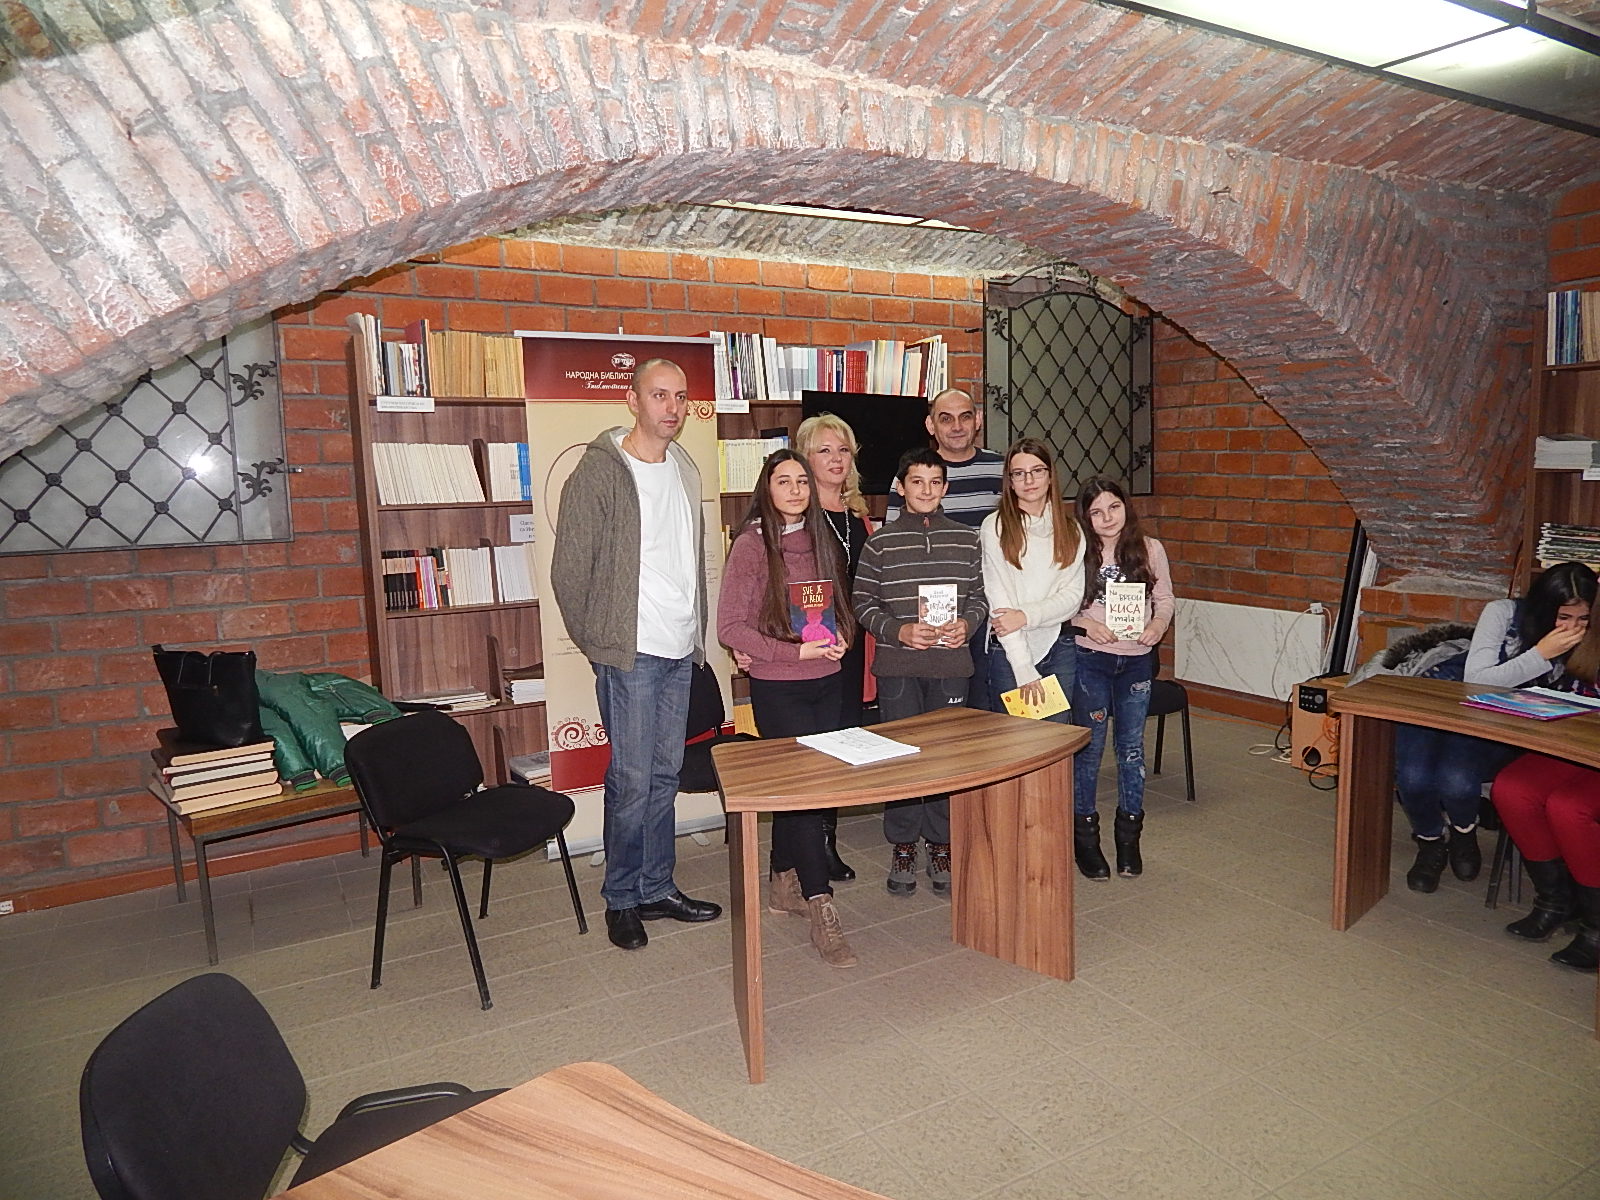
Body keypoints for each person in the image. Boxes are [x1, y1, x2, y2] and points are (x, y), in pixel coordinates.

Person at [550, 358, 723, 952]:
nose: (672, 408)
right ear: (632, 400)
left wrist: (695, 635)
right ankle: (622, 898)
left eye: (680, 396)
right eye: (658, 395)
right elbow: (569, 571)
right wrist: (601, 642)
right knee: (631, 779)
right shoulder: (600, 472)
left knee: (665, 775)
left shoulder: (684, 467)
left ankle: (657, 886)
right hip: (632, 654)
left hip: (679, 649)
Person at [718, 450, 859, 967]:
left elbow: (839, 609)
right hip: (780, 687)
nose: (796, 490)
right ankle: (821, 903)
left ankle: (783, 883)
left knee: (808, 789)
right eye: (785, 481)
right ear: (767, 488)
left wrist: (842, 638)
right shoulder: (752, 545)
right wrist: (792, 653)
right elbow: (730, 628)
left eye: (802, 481)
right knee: (806, 796)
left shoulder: (821, 538)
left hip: (827, 682)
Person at [1397, 561, 1598, 894]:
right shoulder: (1503, 613)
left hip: (1499, 721)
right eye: (1563, 617)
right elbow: (1476, 681)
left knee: (1457, 779)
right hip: (1448, 694)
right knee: (1413, 776)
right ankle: (1430, 840)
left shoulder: (1590, 640)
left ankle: (1463, 832)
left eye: (1582, 619)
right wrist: (1541, 654)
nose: (1572, 627)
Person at [853, 448, 987, 896]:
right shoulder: (880, 543)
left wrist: (967, 624)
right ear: (901, 487)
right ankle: (904, 844)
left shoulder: (967, 540)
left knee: (945, 757)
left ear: (945, 488)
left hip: (950, 666)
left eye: (935, 482)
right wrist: (899, 630)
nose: (926, 490)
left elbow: (980, 598)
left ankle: (941, 842)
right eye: (917, 481)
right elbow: (862, 603)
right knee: (900, 757)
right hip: (899, 667)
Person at [1071, 478, 1174, 881]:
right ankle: (1086, 838)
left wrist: (1158, 626)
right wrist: (1085, 624)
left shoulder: (1150, 549)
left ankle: (1129, 837)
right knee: (1090, 749)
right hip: (1091, 659)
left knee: (1131, 749)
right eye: (1096, 512)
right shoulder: (1075, 551)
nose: (1107, 518)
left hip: (1135, 662)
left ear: (1126, 507)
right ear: (1086, 517)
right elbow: (1062, 605)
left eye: (1113, 507)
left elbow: (1164, 598)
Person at [1490, 595, 1600, 972]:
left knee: (1570, 807)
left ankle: (1596, 926)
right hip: (1584, 743)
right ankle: (1555, 901)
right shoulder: (1589, 636)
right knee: (1512, 789)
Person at [885, 388, 1005, 707]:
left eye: (965, 417)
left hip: (986, 609)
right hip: (925, 619)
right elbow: (894, 546)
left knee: (980, 707)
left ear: (978, 420)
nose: (957, 426)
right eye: (946, 418)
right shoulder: (912, 475)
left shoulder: (1001, 469)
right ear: (930, 425)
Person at [795, 412, 874, 882]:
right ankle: (806, 851)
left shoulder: (858, 516)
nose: (835, 459)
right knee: (813, 748)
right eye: (824, 450)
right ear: (805, 459)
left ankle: (827, 842)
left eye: (843, 449)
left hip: (852, 647)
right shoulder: (794, 515)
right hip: (812, 650)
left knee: (842, 742)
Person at [980, 438, 1085, 720]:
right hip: (1010, 650)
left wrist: (1025, 615)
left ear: (1050, 476)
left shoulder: (1072, 530)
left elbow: (1072, 599)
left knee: (1057, 737)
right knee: (1016, 739)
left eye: (1037, 471)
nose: (1029, 480)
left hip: (1059, 646)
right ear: (1010, 482)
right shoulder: (995, 527)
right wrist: (1023, 666)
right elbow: (1000, 604)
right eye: (1019, 473)